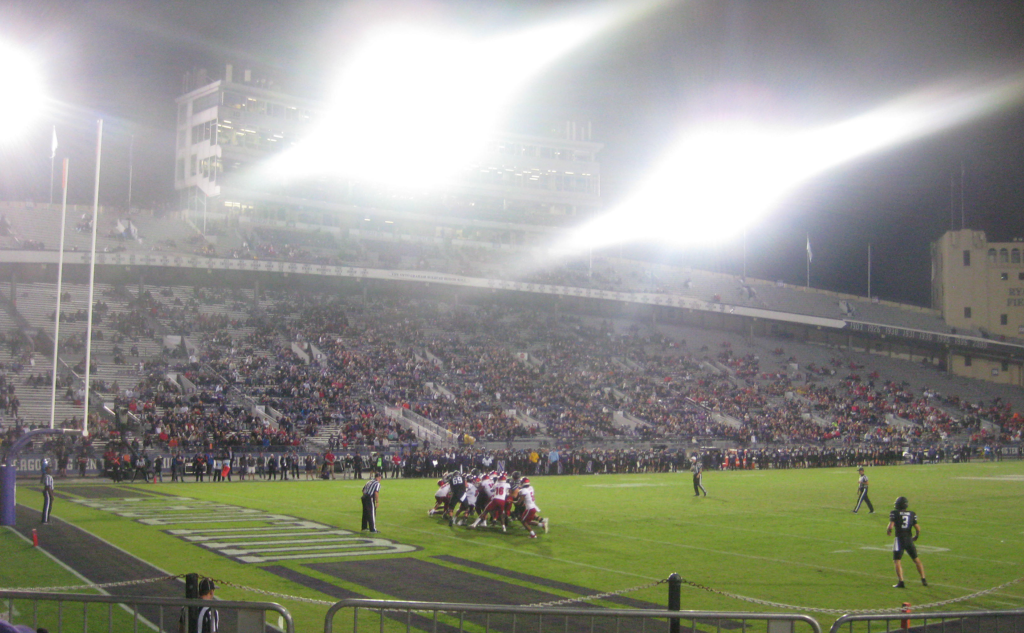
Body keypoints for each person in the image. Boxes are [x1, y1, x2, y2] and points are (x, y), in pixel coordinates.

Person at [887, 496, 927, 588]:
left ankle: (901, 581)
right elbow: (917, 527)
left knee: (897, 561)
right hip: (909, 539)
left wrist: (888, 530)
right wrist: (916, 535)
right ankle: (923, 579)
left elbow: (891, 525)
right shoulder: (912, 513)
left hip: (899, 539)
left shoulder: (894, 513)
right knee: (916, 559)